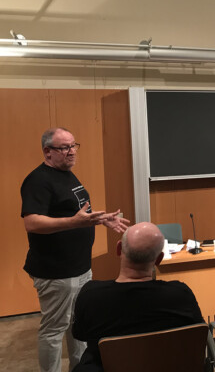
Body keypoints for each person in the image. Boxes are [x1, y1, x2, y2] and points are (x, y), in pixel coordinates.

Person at [20, 127, 129, 372]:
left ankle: (80, 369)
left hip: (80, 268)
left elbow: (77, 214)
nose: (72, 152)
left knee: (78, 325)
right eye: (64, 147)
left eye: (73, 145)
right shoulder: (38, 180)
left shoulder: (67, 175)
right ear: (47, 151)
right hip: (56, 272)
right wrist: (74, 222)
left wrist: (100, 219)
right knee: (54, 329)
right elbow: (32, 222)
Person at [72, 222, 204, 372]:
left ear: (118, 249)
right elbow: (198, 335)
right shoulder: (181, 295)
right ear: (159, 259)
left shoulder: (91, 296)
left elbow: (80, 334)